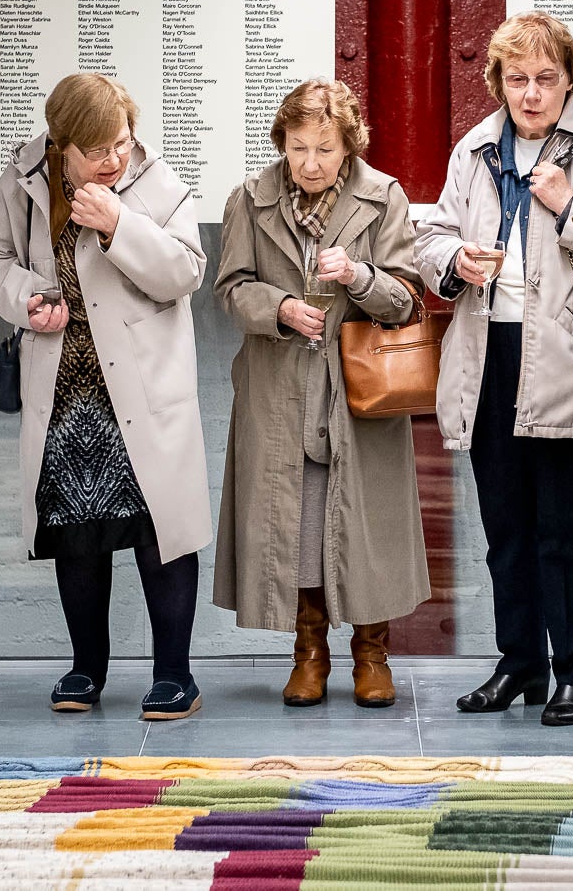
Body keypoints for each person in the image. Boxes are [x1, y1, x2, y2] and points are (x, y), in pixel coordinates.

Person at [415, 11, 573, 726]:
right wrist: (454, 261)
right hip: (489, 356)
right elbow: (431, 233)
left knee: (566, 528)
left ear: (571, 78)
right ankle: (520, 664)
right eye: (518, 78)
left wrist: (569, 205)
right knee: (506, 526)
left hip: (570, 358)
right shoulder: (476, 149)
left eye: (546, 78)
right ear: (499, 82)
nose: (532, 92)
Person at [0, 71, 212, 720]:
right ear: (62, 146)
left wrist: (119, 225)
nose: (115, 159)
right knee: (76, 530)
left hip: (142, 382)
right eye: (99, 150)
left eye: (123, 143)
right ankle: (86, 669)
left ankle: (174, 677)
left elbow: (186, 271)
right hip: (67, 388)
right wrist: (26, 299)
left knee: (161, 531)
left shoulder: (155, 183)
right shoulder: (23, 181)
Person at [213, 77, 429, 708]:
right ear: (283, 141)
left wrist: (361, 277)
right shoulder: (247, 201)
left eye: (325, 150)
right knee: (297, 523)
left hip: (358, 393)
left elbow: (407, 298)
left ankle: (372, 653)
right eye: (298, 147)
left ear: (347, 147)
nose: (309, 163)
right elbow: (230, 289)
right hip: (277, 391)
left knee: (365, 523)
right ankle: (308, 652)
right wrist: (278, 306)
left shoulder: (382, 196)